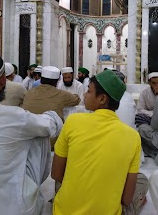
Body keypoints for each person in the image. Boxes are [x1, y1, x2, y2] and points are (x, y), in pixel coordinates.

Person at [51, 69, 148, 215]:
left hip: (64, 211)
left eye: (89, 91)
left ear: (102, 99)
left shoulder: (73, 121)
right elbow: (126, 199)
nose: (84, 95)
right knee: (142, 180)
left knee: (67, 167)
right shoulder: (133, 137)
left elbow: (56, 174)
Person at [0, 50, 63, 215]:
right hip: (11, 208)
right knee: (38, 134)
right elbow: (51, 125)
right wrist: (52, 115)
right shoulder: (11, 116)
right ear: (3, 80)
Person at [21, 66, 80, 149]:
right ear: (57, 82)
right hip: (50, 141)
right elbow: (76, 100)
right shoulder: (61, 94)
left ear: (41, 80)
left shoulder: (30, 92)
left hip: (27, 138)